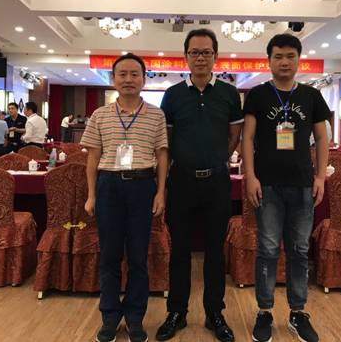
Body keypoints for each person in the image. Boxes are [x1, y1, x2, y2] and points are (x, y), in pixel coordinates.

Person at [156, 29, 243, 342]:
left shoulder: (230, 94)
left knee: (215, 252)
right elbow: (166, 141)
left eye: (206, 52)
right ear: (186, 57)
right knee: (179, 250)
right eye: (194, 52)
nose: (201, 57)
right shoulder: (173, 95)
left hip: (217, 182)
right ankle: (176, 312)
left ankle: (214, 313)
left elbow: (235, 137)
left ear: (215, 56)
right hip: (181, 181)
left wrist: (218, 158)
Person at [243, 34, 329, 342]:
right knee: (267, 249)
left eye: (290, 56)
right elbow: (247, 138)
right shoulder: (257, 95)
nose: (284, 62)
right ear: (269, 60)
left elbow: (322, 138)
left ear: (298, 60)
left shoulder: (311, 96)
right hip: (267, 185)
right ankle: (264, 311)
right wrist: (250, 177)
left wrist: (320, 177)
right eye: (278, 56)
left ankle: (297, 312)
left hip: (303, 184)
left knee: (299, 250)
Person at [81, 53, 169, 342]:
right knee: (109, 255)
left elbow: (162, 156)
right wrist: (91, 195)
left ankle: (134, 317)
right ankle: (109, 316)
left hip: (142, 187)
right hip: (108, 186)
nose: (128, 79)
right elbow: (93, 158)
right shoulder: (100, 115)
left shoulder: (156, 115)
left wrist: (160, 192)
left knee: (138, 257)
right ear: (113, 79)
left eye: (134, 74)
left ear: (143, 79)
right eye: (122, 74)